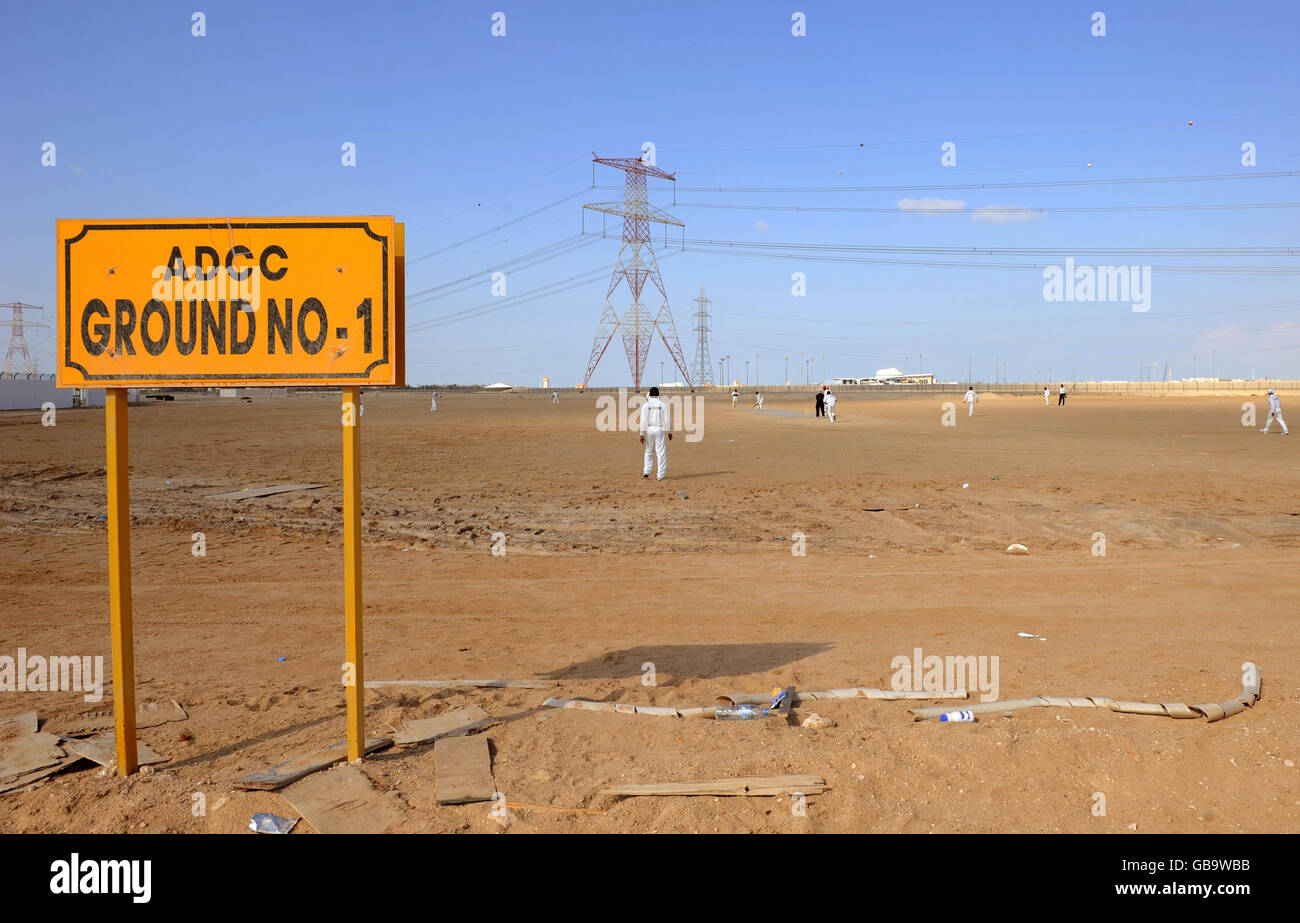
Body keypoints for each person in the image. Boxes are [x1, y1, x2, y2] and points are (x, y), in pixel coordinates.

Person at [639, 386, 672, 480]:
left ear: (650, 394)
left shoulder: (646, 405)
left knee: (648, 450)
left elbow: (643, 421)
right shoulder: (663, 405)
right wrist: (669, 431)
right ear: (658, 394)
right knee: (660, 452)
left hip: (649, 429)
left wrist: (641, 434)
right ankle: (660, 475)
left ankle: (646, 471)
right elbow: (667, 420)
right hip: (660, 429)